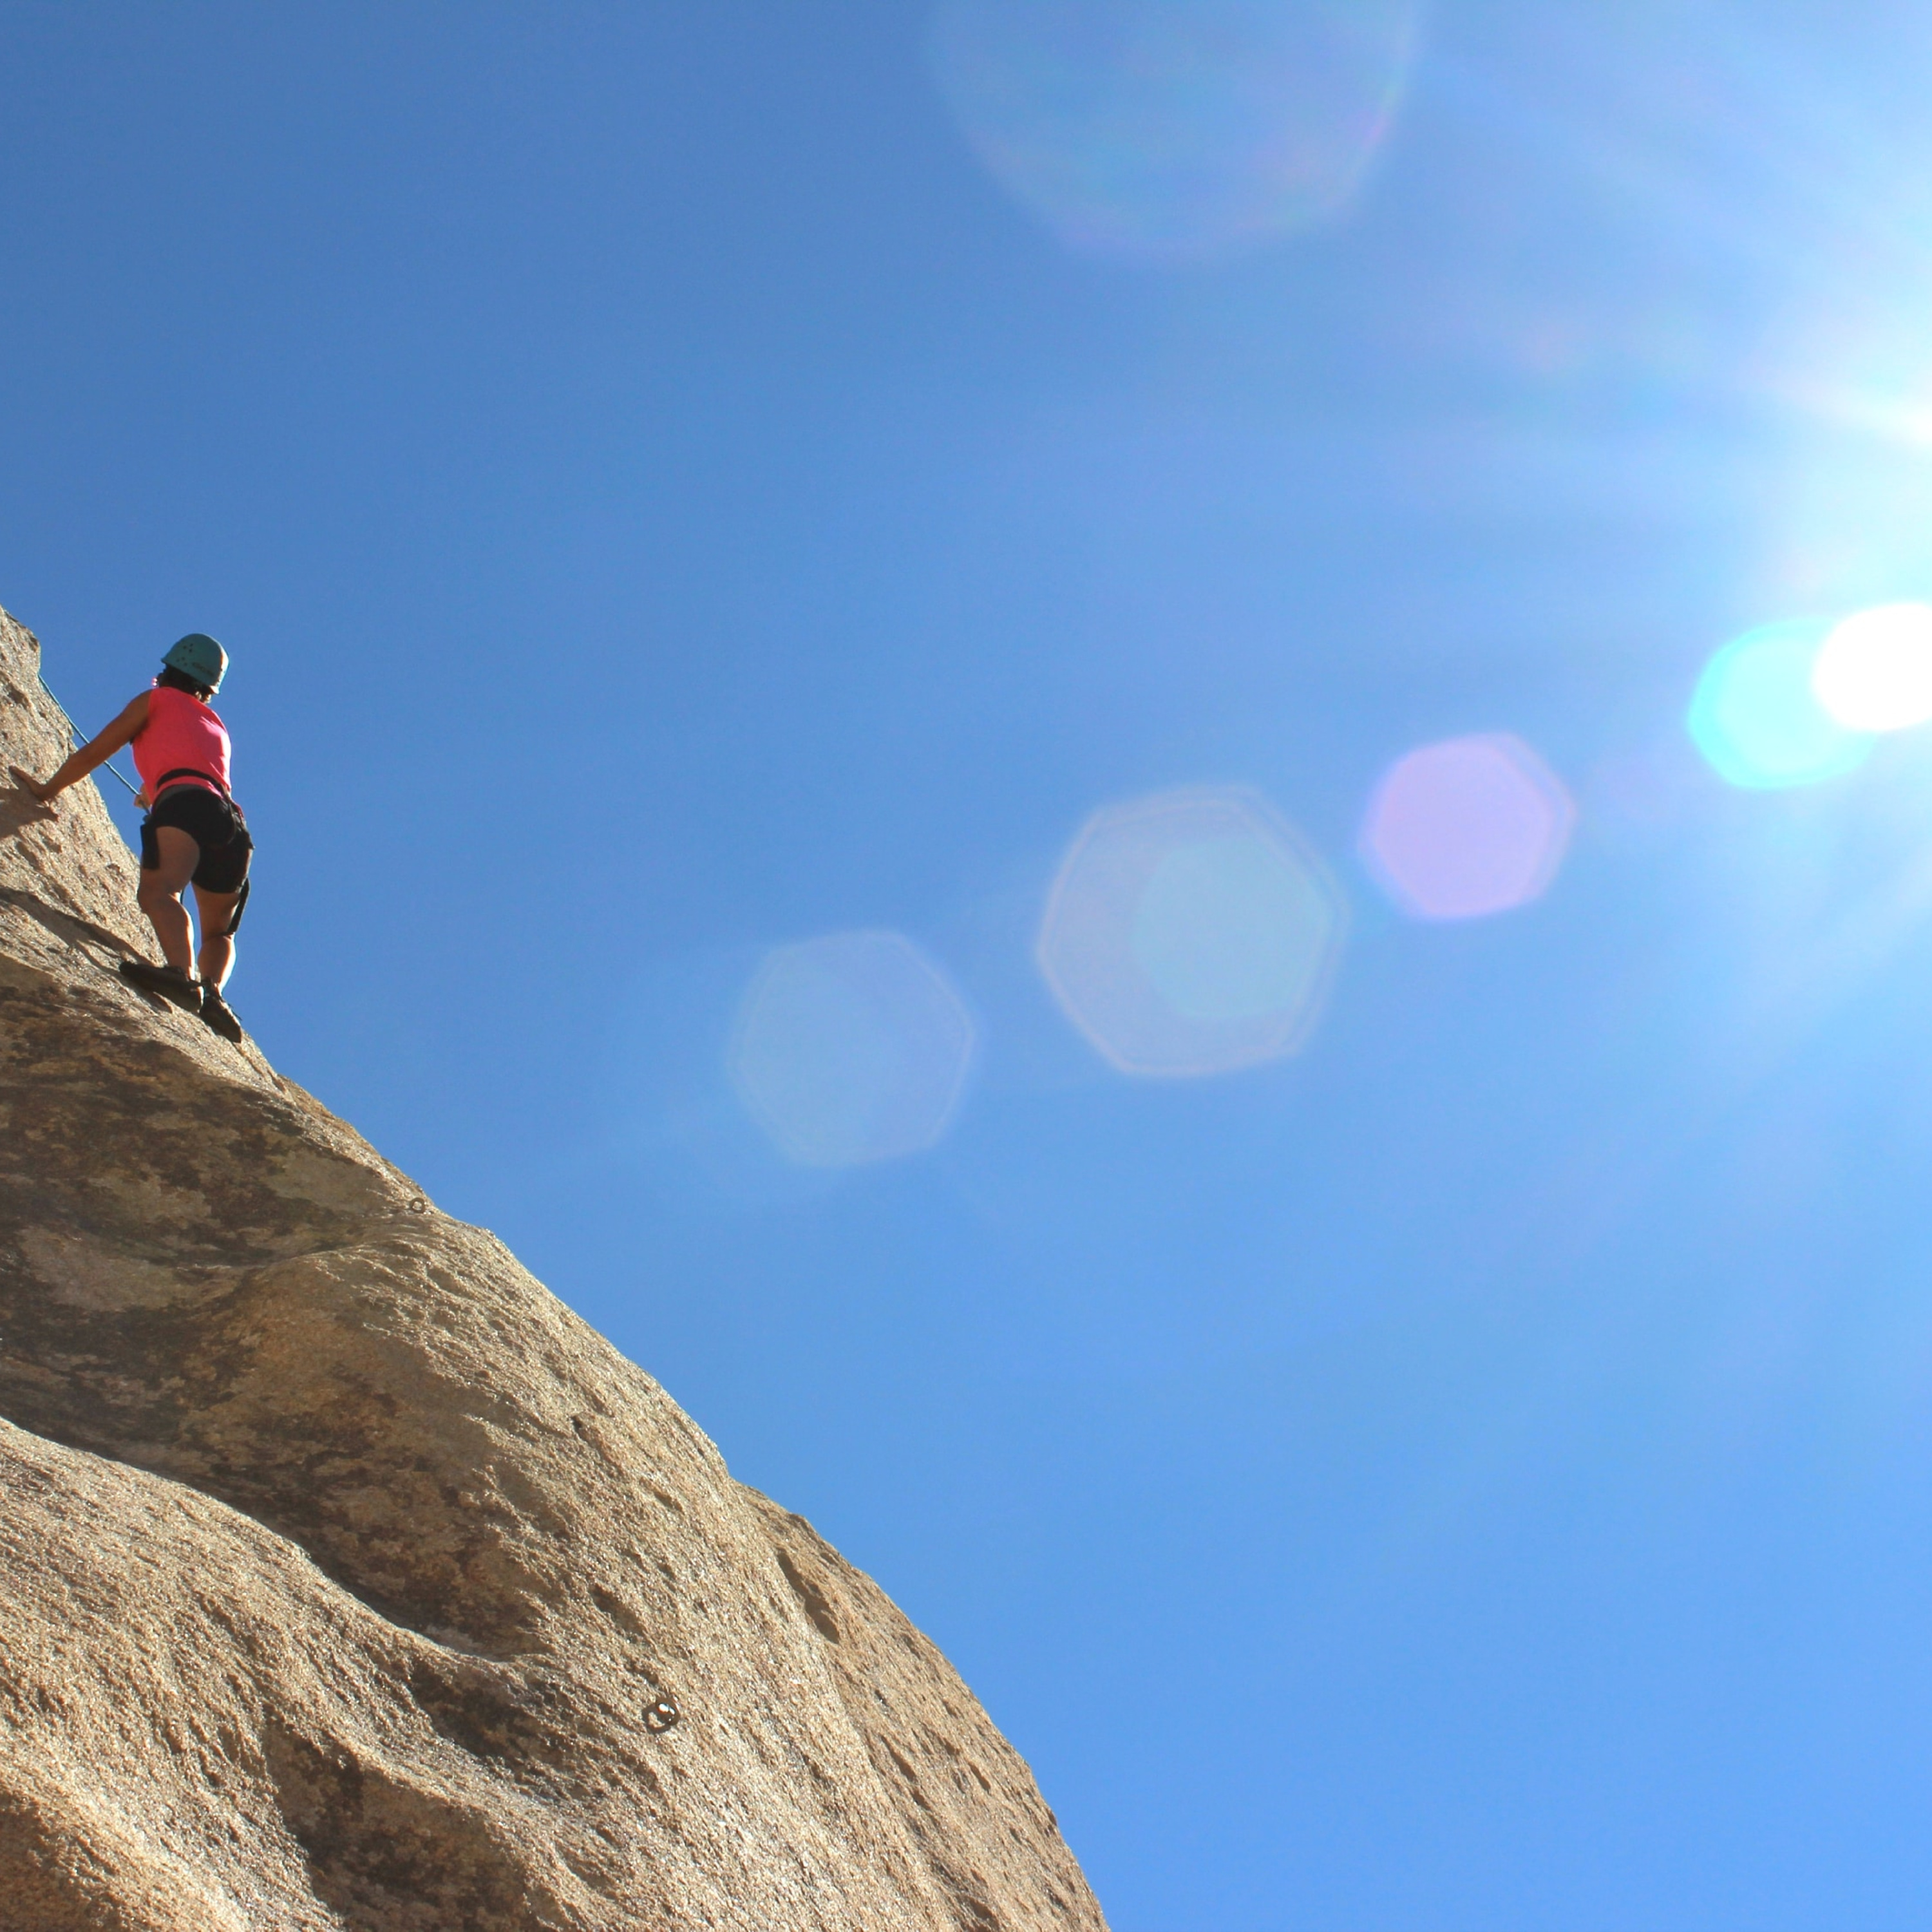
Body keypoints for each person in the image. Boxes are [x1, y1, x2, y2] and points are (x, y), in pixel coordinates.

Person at [20, 633, 252, 1044]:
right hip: (231, 825)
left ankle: (182, 976)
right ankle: (215, 994)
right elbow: (194, 766)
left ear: (168, 669)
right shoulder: (216, 725)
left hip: (184, 805)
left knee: (160, 893)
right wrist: (154, 790)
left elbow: (94, 753)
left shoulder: (154, 701)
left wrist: (43, 791)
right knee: (220, 932)